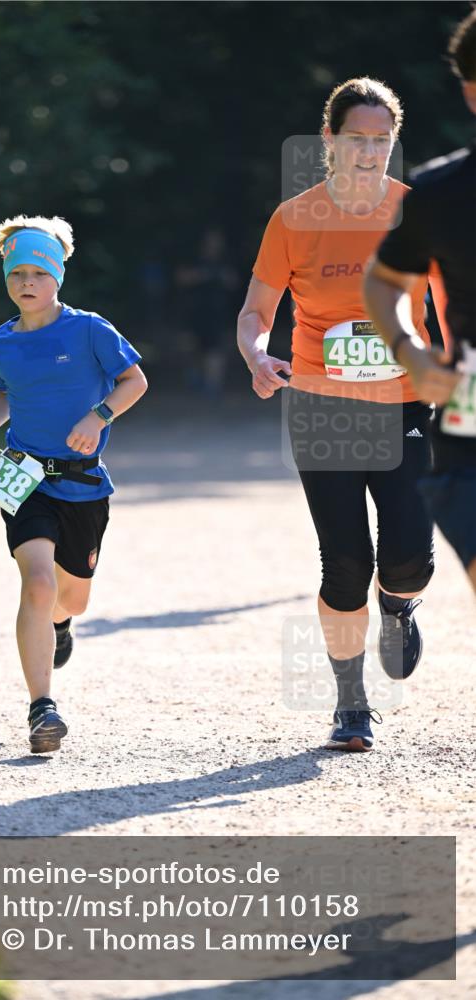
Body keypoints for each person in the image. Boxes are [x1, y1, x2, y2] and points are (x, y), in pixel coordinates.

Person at [237, 78, 450, 752]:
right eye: (356, 139)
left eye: (381, 140)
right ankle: (351, 705)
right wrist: (256, 356)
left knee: (409, 555)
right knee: (343, 563)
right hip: (321, 406)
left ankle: (399, 607)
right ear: (328, 141)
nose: (369, 153)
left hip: (405, 405)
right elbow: (254, 314)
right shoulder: (293, 218)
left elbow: (451, 307)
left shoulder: (416, 211)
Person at [0, 216, 147, 754]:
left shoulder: (90, 330)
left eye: (38, 272)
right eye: (16, 272)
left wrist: (99, 416)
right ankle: (42, 707)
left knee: (72, 599)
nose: (26, 282)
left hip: (85, 484)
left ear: (57, 276)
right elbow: (3, 393)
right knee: (36, 582)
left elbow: (136, 380)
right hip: (22, 473)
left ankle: (60, 624)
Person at [364, 10, 476, 594]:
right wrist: (411, 352)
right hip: (470, 432)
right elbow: (381, 282)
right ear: (471, 91)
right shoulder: (439, 193)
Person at [176, 227, 239, 396]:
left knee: (215, 349)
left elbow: (234, 282)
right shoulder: (194, 259)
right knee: (191, 347)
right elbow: (182, 278)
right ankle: (195, 378)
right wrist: (202, 275)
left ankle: (212, 386)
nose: (214, 245)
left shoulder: (225, 261)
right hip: (194, 311)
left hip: (217, 312)